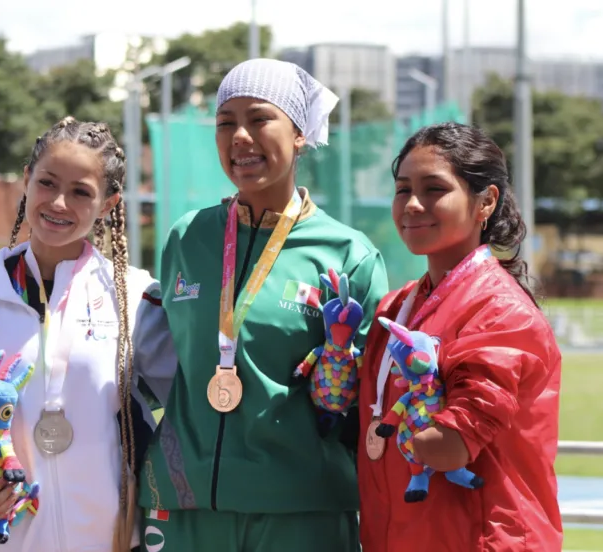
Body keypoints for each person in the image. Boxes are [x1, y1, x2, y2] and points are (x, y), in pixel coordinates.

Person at [137, 58, 389, 552]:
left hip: (301, 511)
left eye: (259, 119)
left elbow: (365, 400)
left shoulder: (348, 255)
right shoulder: (187, 238)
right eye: (225, 123)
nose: (240, 137)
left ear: (299, 133)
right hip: (185, 505)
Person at [0, 117, 177, 552]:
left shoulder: (135, 297)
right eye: (48, 183)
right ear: (26, 180)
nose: (58, 202)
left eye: (81, 192)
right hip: (2, 538)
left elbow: (185, 410)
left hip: (110, 540)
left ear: (108, 204)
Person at [357, 122, 562, 551]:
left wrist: (402, 420)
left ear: (486, 201)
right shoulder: (395, 309)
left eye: (434, 189)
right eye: (402, 189)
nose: (412, 204)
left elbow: (449, 449)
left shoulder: (501, 314)